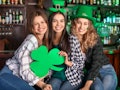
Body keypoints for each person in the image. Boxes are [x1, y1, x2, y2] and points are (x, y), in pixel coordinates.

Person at [0, 9, 52, 90]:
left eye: (42, 22)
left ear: (46, 23)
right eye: (36, 24)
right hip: (8, 75)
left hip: (18, 77)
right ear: (32, 27)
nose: (40, 26)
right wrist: (41, 84)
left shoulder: (43, 42)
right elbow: (24, 69)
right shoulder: (32, 40)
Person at [70, 5, 118, 90]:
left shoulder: (95, 38)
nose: (82, 27)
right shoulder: (72, 39)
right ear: (74, 23)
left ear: (89, 25)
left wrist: (87, 86)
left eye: (85, 24)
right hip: (90, 71)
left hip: (105, 69)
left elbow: (96, 63)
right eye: (79, 23)